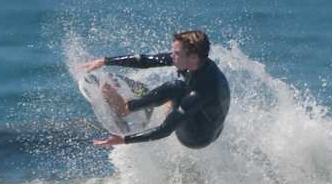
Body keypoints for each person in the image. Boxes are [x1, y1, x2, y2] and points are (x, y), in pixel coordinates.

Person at [83, 29, 230, 149]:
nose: (171, 56)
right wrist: (105, 61)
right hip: (207, 121)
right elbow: (146, 60)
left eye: (176, 53)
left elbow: (164, 130)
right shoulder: (197, 62)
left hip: (196, 137)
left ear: (192, 57)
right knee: (179, 88)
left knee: (176, 86)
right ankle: (169, 104)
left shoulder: (203, 90)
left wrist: (124, 140)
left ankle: (125, 107)